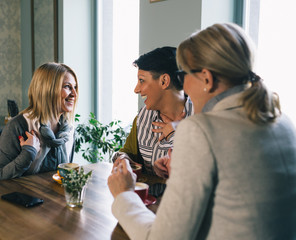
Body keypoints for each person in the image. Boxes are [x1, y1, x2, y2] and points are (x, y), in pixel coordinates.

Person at [108, 23, 296, 239]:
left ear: (206, 78)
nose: (183, 86)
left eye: (183, 75)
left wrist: (123, 195)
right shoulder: (285, 123)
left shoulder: (200, 131)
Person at [0, 62, 78, 181]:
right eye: (67, 86)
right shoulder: (18, 126)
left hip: (56, 197)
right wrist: (27, 154)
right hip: (25, 196)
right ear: (47, 89)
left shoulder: (69, 131)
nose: (74, 94)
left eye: (75, 87)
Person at [112, 46, 193, 177]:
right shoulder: (142, 118)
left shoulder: (201, 118)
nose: (136, 89)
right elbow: (126, 152)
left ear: (164, 81)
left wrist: (180, 132)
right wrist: (123, 158)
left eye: (142, 80)